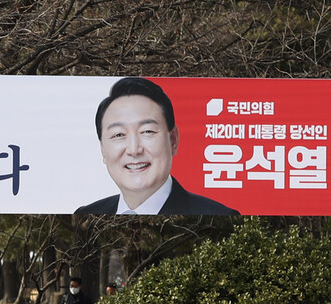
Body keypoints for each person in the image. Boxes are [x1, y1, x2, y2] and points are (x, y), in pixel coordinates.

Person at [75, 76, 239, 216]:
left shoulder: (217, 214)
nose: (134, 149)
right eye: (119, 135)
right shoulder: (86, 214)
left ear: (173, 140)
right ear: (103, 149)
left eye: (147, 131)